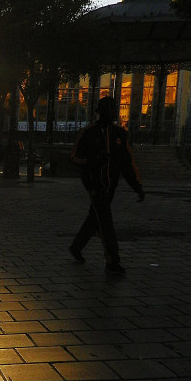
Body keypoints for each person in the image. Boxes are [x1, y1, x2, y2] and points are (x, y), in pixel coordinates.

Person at [70, 96, 145, 275]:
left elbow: (127, 162)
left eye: (113, 110)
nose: (112, 114)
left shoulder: (119, 134)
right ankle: (112, 261)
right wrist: (93, 161)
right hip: (95, 185)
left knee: (94, 219)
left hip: (111, 186)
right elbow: (74, 157)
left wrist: (137, 186)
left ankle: (76, 246)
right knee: (105, 222)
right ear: (100, 112)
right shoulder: (88, 133)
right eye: (109, 110)